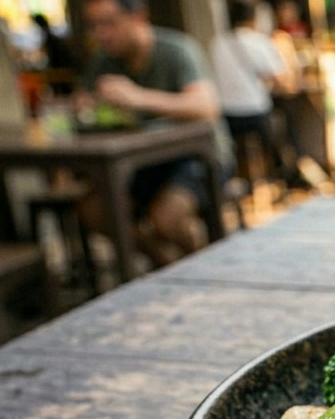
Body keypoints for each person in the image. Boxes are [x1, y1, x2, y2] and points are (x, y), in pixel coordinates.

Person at [80, 0, 233, 264]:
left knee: (167, 218)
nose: (100, 34)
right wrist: (86, 105)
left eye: (108, 23)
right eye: (93, 26)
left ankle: (205, 268)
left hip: (196, 158)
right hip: (143, 161)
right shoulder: (104, 61)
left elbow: (207, 107)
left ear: (138, 16)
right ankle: (163, 262)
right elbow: (84, 102)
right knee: (95, 210)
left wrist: (137, 97)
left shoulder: (176, 49)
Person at [211, 0, 294, 182]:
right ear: (253, 19)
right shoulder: (258, 42)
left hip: (227, 115)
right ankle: (280, 175)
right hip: (255, 113)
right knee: (286, 126)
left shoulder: (218, 43)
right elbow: (281, 81)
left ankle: (244, 179)